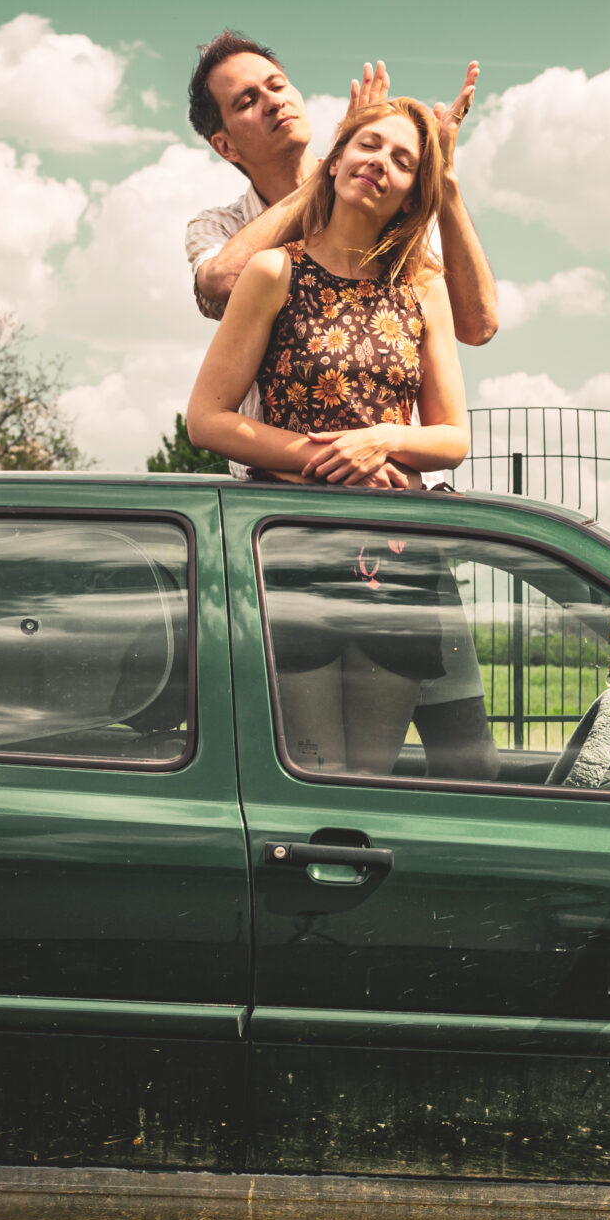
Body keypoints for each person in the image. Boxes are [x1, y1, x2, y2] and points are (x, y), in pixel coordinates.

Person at [185, 96, 489, 776]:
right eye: (370, 145)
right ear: (338, 157)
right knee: (312, 775)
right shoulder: (273, 271)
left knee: (368, 779)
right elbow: (206, 418)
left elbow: (450, 438)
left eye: (404, 160)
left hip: (395, 555)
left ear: (415, 193)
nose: (381, 164)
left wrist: (381, 439)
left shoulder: (424, 289)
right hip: (289, 547)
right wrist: (329, 458)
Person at [183, 31, 498, 348]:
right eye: (248, 101)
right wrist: (334, 167)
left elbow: (477, 327)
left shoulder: (383, 198)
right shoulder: (217, 226)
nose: (274, 101)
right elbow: (223, 280)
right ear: (225, 146)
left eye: (277, 85)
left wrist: (442, 176)